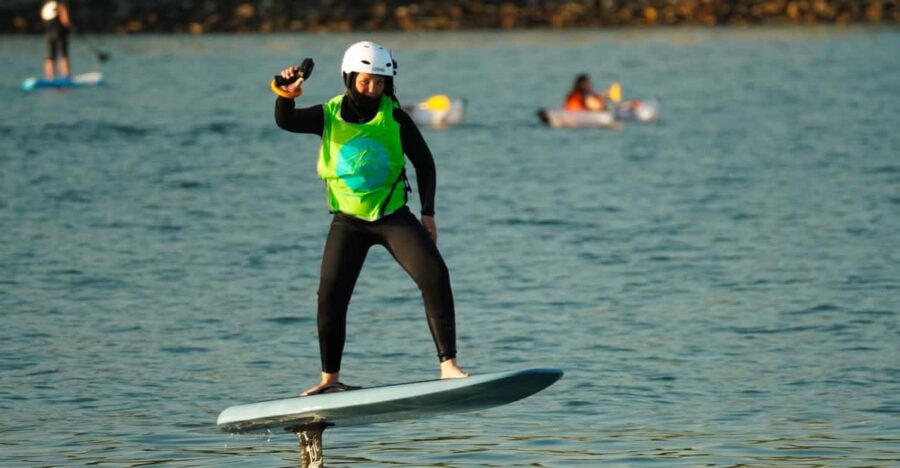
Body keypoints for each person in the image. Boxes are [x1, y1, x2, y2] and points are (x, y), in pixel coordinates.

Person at [271, 41, 470, 396]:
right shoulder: (327, 115)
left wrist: (428, 214)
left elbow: (425, 163)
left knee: (435, 275)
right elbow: (286, 121)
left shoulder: (396, 117)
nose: (373, 89)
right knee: (330, 295)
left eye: (380, 82)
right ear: (349, 79)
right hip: (348, 221)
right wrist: (286, 95)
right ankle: (329, 380)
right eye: (365, 82)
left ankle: (448, 366)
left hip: (392, 216)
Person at [41, 0, 71, 80]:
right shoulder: (61, 5)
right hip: (60, 33)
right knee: (64, 55)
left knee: (50, 56)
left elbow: (44, 19)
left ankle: (50, 77)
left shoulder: (47, 5)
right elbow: (65, 20)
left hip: (49, 34)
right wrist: (70, 26)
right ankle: (66, 76)